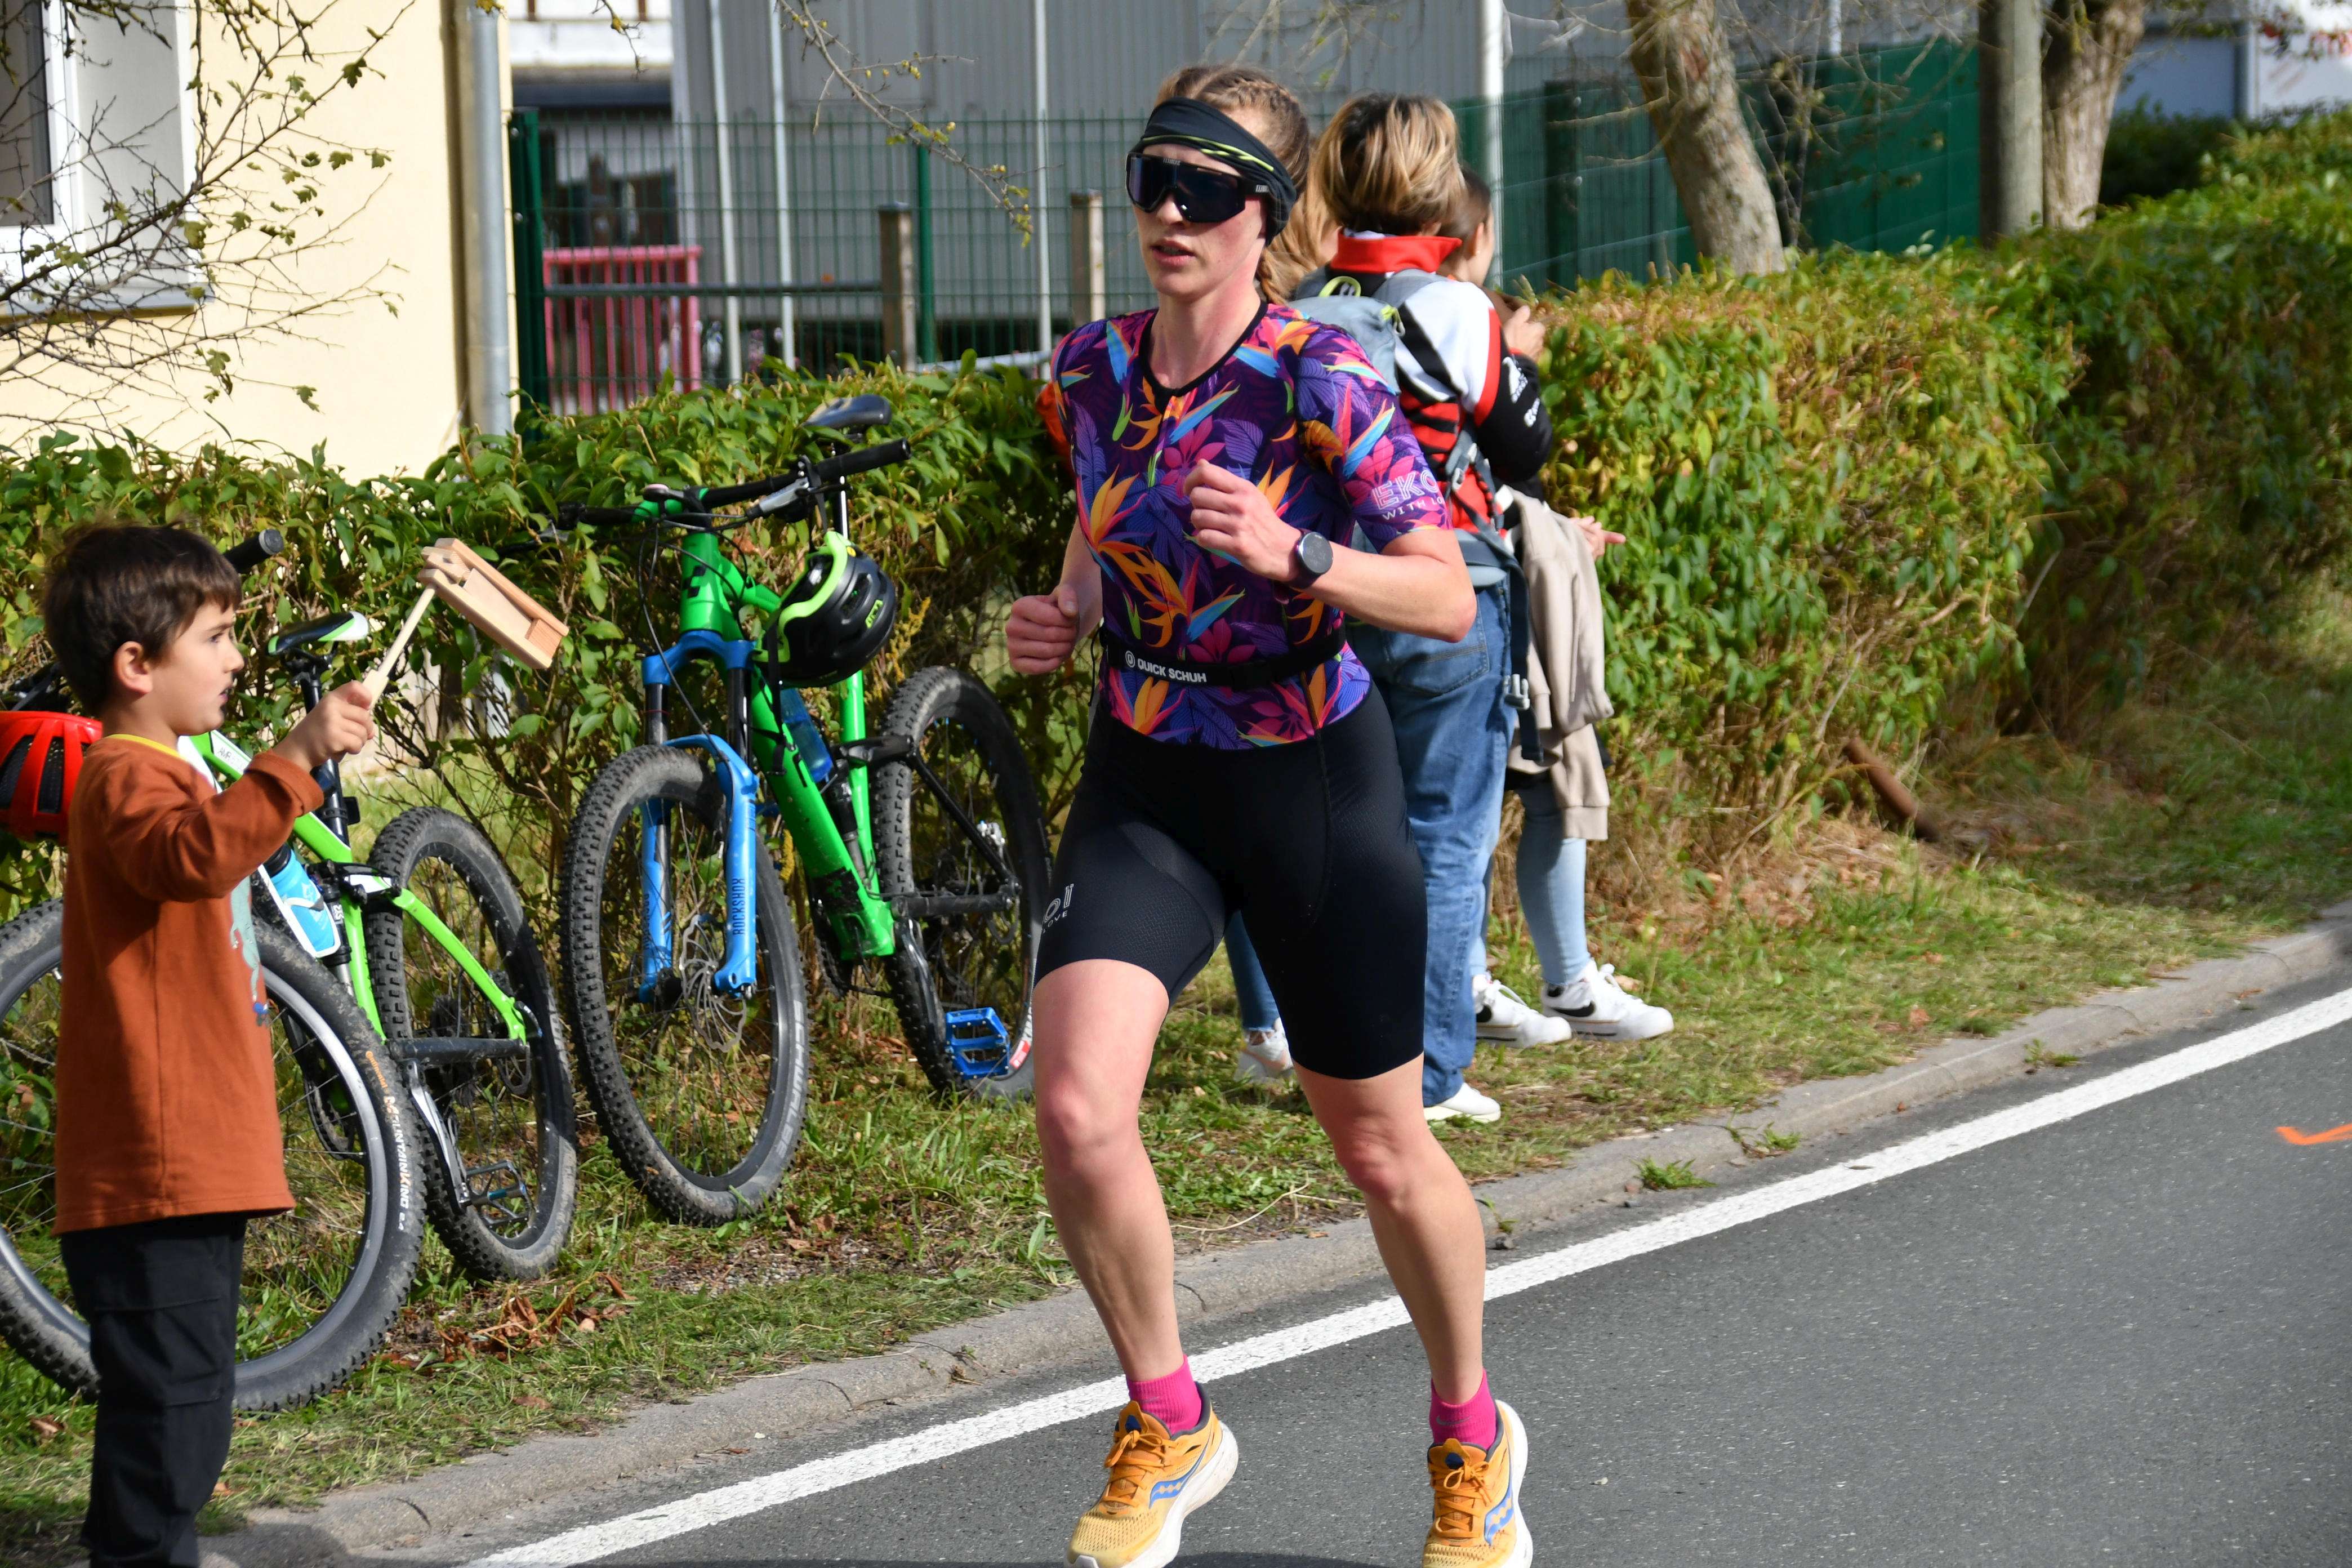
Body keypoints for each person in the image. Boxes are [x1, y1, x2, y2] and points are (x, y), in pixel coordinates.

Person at [1010, 64, 1532, 1568]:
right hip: (1146, 774)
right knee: (1076, 1107)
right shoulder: (1088, 371)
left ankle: (1472, 1437)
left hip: (1309, 778)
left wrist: (1301, 552)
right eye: (1153, 178)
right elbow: (1104, 520)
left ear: (1268, 214)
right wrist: (1067, 609)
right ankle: (1169, 1418)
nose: (1173, 213)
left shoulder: (1321, 376)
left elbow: (1443, 594)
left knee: (1381, 1151)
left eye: (1210, 189)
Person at [42, 524, 376, 1568]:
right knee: (173, 1418)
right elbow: (195, 858)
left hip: (186, 1167)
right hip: (156, 1172)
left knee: (178, 1408)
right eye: (217, 638)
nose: (236, 658)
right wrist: (298, 758)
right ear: (136, 666)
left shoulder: (167, 772)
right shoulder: (124, 778)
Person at [1295, 96, 1569, 1125]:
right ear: (1437, 186)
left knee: (1342, 841)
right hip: (1452, 595)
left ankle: (1332, 1057)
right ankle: (1431, 1077)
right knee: (1446, 843)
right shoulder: (1456, 308)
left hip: (1330, 595)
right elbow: (1524, 447)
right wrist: (1519, 355)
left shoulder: (1302, 308)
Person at [1441, 170, 1676, 1045]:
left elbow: (1497, 490)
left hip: (1498, 603)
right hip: (1485, 612)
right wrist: (1515, 362)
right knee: (1490, 807)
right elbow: (1488, 472)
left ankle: (1535, 982)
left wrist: (1556, 530)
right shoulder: (1459, 339)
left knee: (1521, 798)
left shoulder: (1395, 329)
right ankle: (1508, 987)